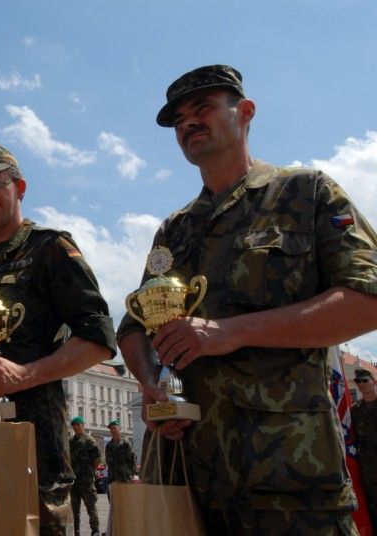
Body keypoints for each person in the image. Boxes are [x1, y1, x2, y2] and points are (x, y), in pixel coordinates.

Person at [116, 64, 377, 533]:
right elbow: (135, 326)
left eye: (202, 108)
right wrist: (153, 386)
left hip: (289, 479)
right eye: (178, 120)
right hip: (188, 479)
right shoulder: (175, 229)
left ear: (246, 112)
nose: (188, 123)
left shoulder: (305, 193)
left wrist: (227, 333)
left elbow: (367, 298)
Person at [0, 142, 117, 535]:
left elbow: (98, 340)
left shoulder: (51, 248)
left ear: (19, 188)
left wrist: (24, 374)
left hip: (33, 451)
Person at [351, 368, 377, 526]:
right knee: (371, 507)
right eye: (357, 382)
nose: (361, 384)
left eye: (364, 380)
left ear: (374, 381)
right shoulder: (354, 410)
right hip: (368, 467)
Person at [68, 416, 100, 536]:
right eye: (74, 425)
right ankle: (76, 530)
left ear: (83, 425)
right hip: (74, 482)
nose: (76, 427)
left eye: (78, 424)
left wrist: (91, 472)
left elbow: (97, 459)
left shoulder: (89, 440)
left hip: (86, 482)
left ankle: (95, 530)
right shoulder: (70, 442)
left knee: (91, 507)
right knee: (75, 509)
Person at [103, 419, 135, 535]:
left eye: (115, 428)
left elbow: (132, 460)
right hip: (113, 478)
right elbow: (108, 461)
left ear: (119, 429)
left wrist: (131, 474)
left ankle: (128, 527)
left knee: (126, 503)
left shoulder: (126, 443)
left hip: (125, 478)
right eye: (111, 429)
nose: (113, 430)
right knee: (113, 504)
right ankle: (115, 528)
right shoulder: (109, 446)